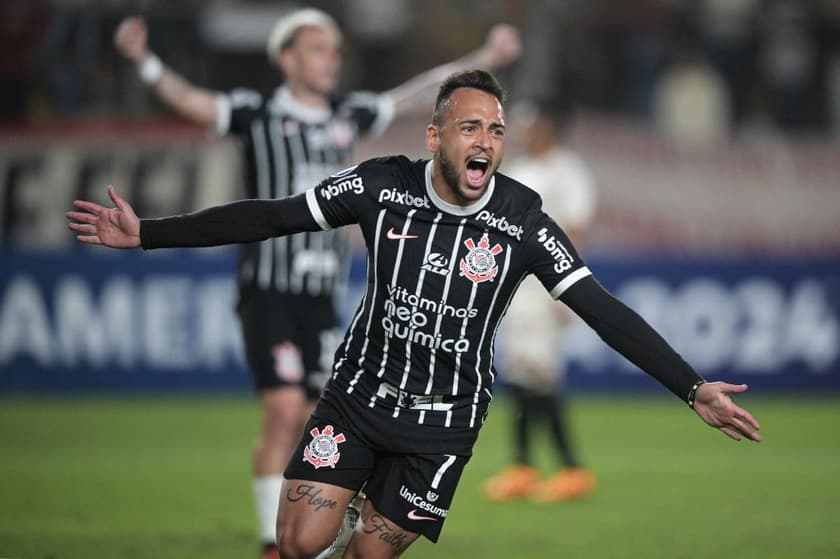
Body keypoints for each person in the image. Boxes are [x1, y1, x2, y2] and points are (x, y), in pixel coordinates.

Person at [68, 69, 761, 559]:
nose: (485, 140)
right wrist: (149, 232)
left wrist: (690, 384)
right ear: (434, 136)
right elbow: (272, 216)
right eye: (469, 126)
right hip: (358, 398)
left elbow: (601, 308)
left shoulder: (522, 219)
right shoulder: (380, 185)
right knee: (298, 542)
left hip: (443, 425)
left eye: (495, 128)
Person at [113, 10, 521, 558]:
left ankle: (334, 514)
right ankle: (269, 542)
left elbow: (424, 95)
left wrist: (485, 62)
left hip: (325, 300)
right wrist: (144, 62)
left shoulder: (348, 114)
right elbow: (192, 101)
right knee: (283, 413)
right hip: (270, 291)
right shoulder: (253, 112)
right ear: (286, 58)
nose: (332, 58)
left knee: (320, 419)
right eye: (318, 49)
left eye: (335, 49)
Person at [483, 100, 598, 503]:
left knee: (541, 372)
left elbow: (577, 230)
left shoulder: (568, 171)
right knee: (521, 372)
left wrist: (569, 294)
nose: (521, 130)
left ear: (548, 126)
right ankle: (523, 467)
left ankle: (571, 469)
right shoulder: (519, 170)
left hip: (548, 285)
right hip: (518, 286)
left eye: (529, 122)